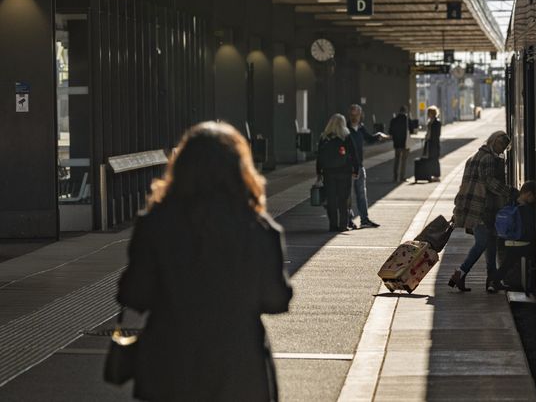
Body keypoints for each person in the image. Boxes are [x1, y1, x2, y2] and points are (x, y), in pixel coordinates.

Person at [117, 121, 293, 402]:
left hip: (170, 366)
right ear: (240, 170)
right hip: (239, 366)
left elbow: (134, 294)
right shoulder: (259, 229)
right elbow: (276, 300)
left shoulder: (155, 224)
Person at [448, 131, 515, 293]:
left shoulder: (475, 157)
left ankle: (492, 280)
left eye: (504, 147)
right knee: (482, 243)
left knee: (490, 244)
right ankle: (460, 273)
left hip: (474, 207)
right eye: (500, 145)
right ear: (492, 141)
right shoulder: (489, 159)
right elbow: (490, 183)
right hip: (483, 209)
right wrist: (510, 191)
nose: (501, 150)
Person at [488, 181, 536, 291]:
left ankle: (493, 282)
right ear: (528, 194)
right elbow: (530, 229)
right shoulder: (526, 209)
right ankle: (531, 285)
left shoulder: (511, 203)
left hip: (509, 241)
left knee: (507, 264)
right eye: (534, 197)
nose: (534, 200)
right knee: (534, 255)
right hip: (522, 243)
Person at [347, 104, 389, 228]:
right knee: (348, 196)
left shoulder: (361, 128)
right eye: (352, 114)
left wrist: (378, 136)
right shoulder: (345, 129)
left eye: (357, 114)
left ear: (361, 115)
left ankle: (364, 219)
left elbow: (369, 139)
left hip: (359, 166)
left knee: (361, 194)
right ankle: (348, 219)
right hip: (347, 168)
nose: (354, 117)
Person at [317, 114, 360, 232]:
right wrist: (356, 170)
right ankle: (343, 225)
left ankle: (332, 225)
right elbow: (354, 154)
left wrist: (319, 172)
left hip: (328, 172)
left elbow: (319, 156)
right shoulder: (346, 136)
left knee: (331, 199)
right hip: (344, 172)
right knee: (343, 199)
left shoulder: (324, 137)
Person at [389, 106, 411, 183]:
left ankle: (395, 177)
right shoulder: (407, 120)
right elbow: (411, 130)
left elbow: (390, 132)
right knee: (404, 161)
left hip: (397, 143)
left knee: (397, 160)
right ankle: (402, 177)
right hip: (405, 143)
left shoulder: (394, 120)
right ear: (405, 111)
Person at [424, 106, 442, 181]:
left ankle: (436, 175)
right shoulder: (429, 122)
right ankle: (430, 174)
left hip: (434, 143)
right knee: (430, 158)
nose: (428, 114)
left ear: (432, 113)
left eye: (429, 113)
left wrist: (430, 137)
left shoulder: (437, 122)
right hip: (429, 143)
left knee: (435, 159)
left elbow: (437, 134)